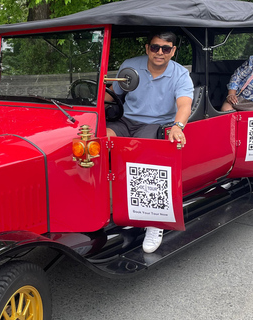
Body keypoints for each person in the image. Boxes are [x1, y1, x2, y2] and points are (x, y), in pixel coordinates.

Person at [105, 31, 194, 253]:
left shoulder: (180, 74)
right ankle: (111, 205)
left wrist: (178, 126)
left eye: (166, 48)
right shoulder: (131, 66)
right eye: (155, 47)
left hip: (155, 124)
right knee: (101, 143)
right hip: (125, 119)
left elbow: (184, 104)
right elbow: (112, 95)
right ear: (147, 48)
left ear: (173, 51)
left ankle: (155, 222)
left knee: (139, 155)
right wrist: (90, 92)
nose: (160, 52)